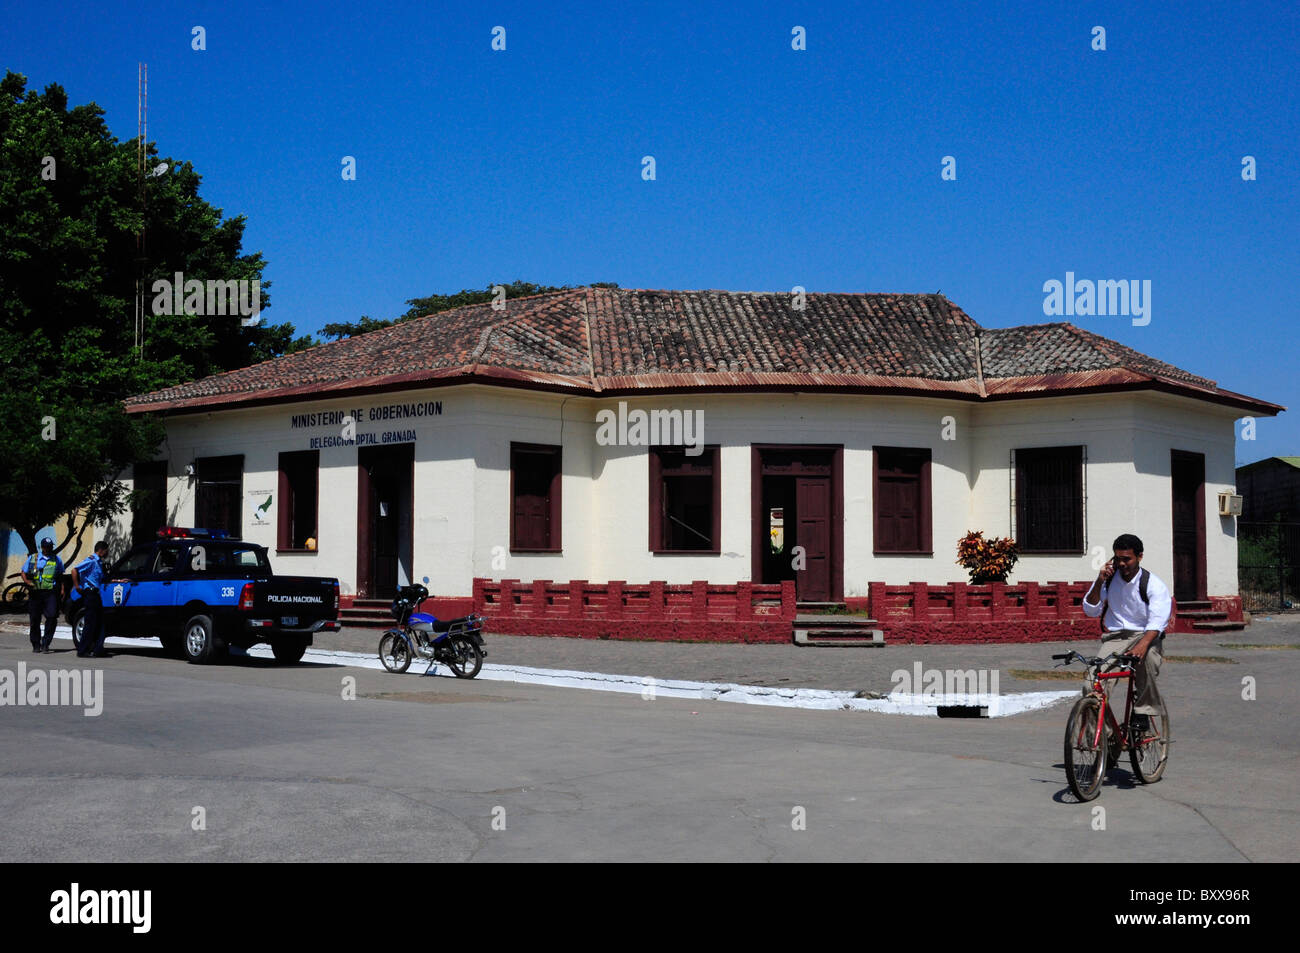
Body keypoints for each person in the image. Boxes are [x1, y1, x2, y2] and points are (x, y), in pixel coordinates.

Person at [1081, 533, 1172, 734]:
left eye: (1127, 559)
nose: (1122, 564)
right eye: (1118, 559)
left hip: (1146, 635)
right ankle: (1108, 739)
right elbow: (1091, 609)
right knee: (1091, 685)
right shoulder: (1109, 580)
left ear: (1139, 557)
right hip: (1116, 638)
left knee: (1147, 662)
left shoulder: (1152, 584)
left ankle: (1142, 711)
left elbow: (1158, 620)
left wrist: (1143, 645)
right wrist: (1099, 580)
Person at [20, 536, 63, 653]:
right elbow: (23, 572)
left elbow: (60, 575)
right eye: (46, 547)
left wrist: (62, 589)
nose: (49, 549)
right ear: (42, 547)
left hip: (50, 592)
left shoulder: (56, 560)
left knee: (52, 617)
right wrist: (28, 582)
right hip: (35, 592)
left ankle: (46, 643)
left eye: (50, 547)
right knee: (34, 619)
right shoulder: (33, 558)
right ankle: (36, 644)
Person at [72, 540, 111, 658]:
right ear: (101, 550)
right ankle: (82, 650)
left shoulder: (99, 562)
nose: (107, 553)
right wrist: (77, 586)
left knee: (99, 623)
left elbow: (102, 579)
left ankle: (97, 649)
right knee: (90, 623)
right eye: (106, 550)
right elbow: (74, 570)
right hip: (90, 594)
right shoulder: (91, 561)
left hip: (96, 594)